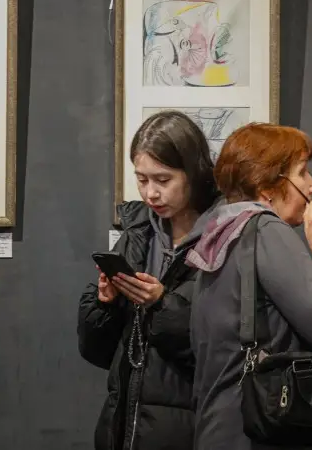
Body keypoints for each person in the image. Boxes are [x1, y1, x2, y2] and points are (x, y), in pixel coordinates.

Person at [187, 123, 312, 450]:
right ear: (267, 187)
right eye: (302, 173)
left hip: (221, 429)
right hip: (262, 433)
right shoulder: (265, 230)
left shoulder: (219, 233)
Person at [77, 110, 222, 450]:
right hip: (124, 426)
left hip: (194, 428)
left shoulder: (224, 236)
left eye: (162, 180)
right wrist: (106, 303)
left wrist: (160, 305)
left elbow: (222, 350)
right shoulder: (137, 233)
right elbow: (97, 351)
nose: (150, 193)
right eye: (141, 180)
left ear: (193, 172)